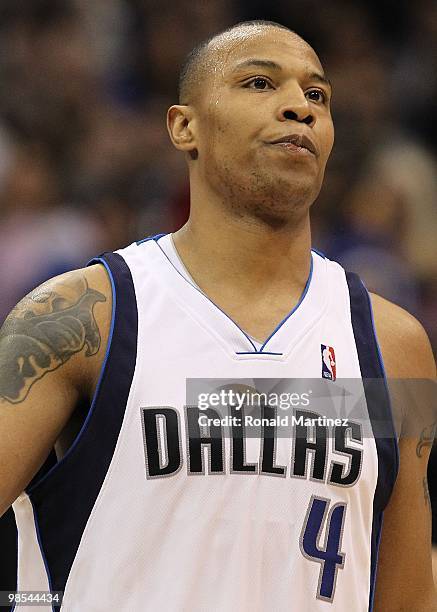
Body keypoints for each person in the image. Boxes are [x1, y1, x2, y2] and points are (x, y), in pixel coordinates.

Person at [0, 20, 435, 612]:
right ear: (185, 127)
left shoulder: (393, 344)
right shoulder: (82, 317)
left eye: (317, 96)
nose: (299, 109)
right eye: (260, 82)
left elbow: (406, 597)